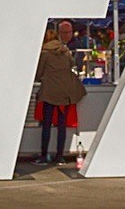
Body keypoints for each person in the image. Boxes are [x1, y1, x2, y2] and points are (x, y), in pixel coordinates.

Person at [34, 26, 86, 165]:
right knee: (61, 125)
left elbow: (38, 74)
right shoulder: (65, 51)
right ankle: (59, 156)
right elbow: (73, 65)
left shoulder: (44, 53)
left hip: (49, 93)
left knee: (47, 124)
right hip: (65, 93)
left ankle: (44, 156)